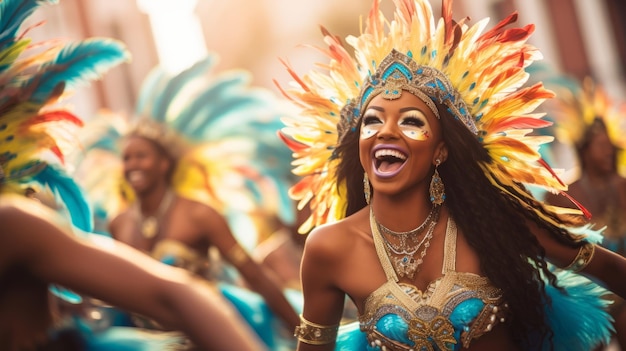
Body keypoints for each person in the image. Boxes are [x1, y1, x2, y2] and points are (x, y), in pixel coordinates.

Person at [275, 0, 626, 350]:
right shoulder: (329, 248)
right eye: (373, 121)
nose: (386, 131)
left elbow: (612, 271)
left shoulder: (490, 221)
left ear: (441, 151)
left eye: (411, 121)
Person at [107, 119, 300, 338]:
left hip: (203, 336)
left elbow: (253, 274)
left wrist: (302, 332)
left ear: (164, 163)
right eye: (126, 158)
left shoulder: (199, 214)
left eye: (141, 156)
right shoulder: (118, 223)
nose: (132, 165)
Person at [543, 79, 626, 350]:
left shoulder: (623, 186)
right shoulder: (563, 196)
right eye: (599, 145)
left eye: (608, 144)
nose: (607, 151)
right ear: (583, 150)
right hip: (586, 293)